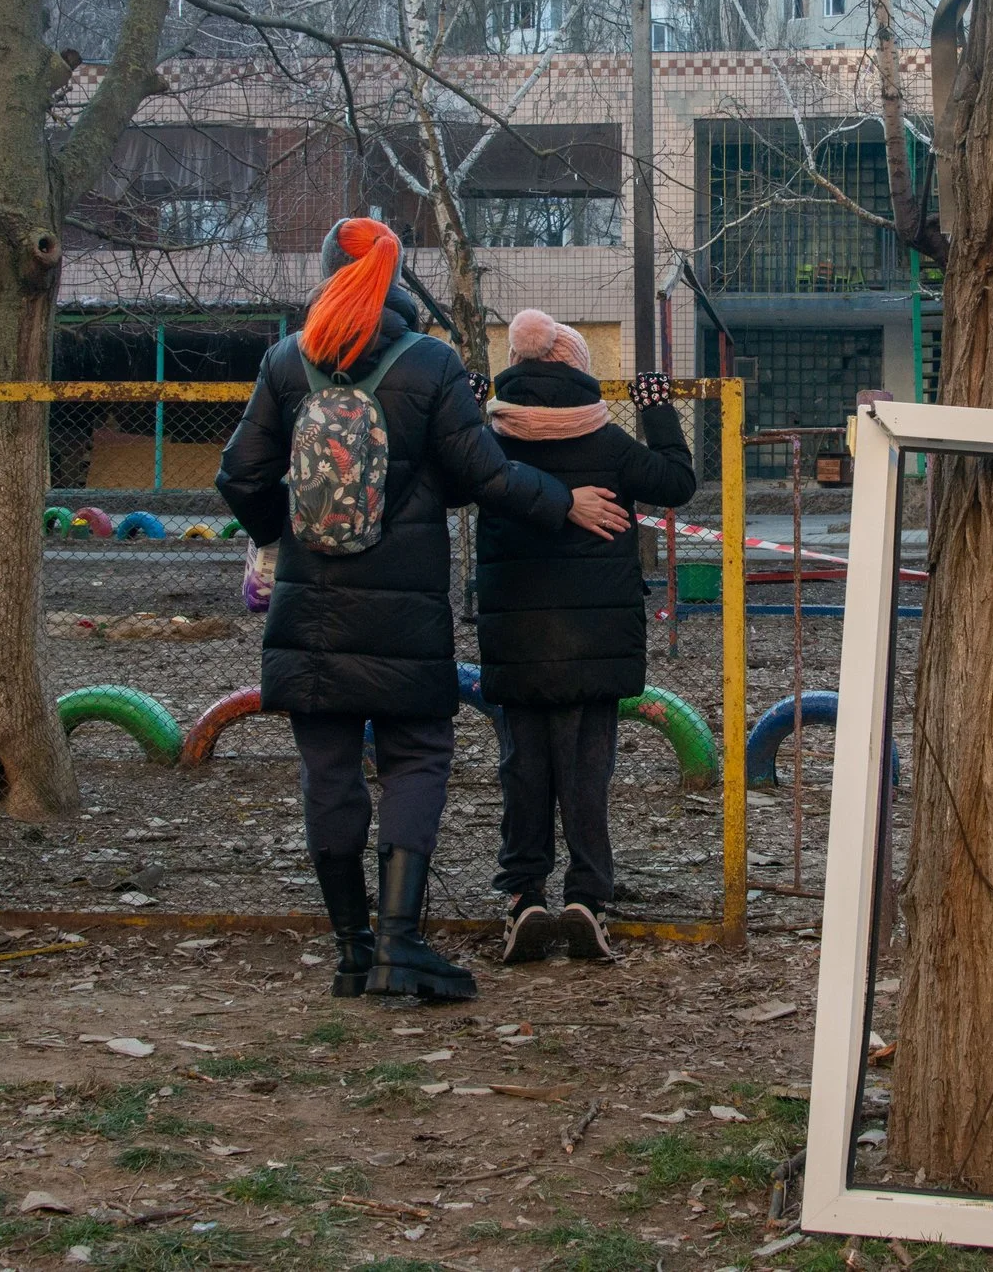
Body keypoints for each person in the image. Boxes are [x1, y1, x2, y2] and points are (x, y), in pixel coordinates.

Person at [218, 220, 632, 1001]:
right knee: (415, 758)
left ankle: (351, 953)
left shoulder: (286, 361)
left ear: (326, 272)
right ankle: (399, 945)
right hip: (403, 614)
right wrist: (562, 500)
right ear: (393, 277)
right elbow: (485, 476)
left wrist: (294, 531)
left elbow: (239, 476)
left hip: (309, 616)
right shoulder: (429, 362)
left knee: (328, 772)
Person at [476, 309, 697, 963]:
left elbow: (448, 478)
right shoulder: (609, 443)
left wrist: (463, 405)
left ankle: (523, 897)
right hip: (595, 639)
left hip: (517, 636)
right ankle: (588, 899)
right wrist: (656, 409)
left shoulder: (489, 444)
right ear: (578, 371)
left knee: (522, 770)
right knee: (586, 774)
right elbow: (677, 483)